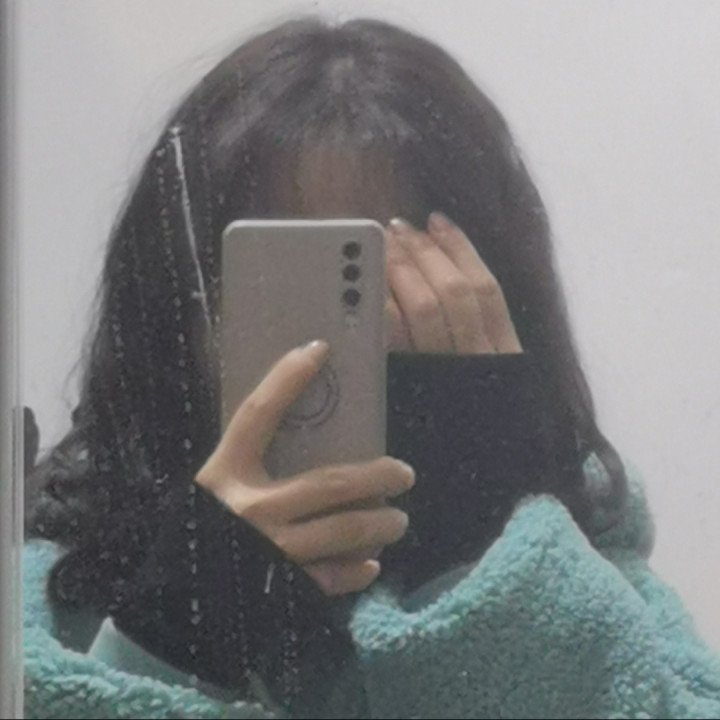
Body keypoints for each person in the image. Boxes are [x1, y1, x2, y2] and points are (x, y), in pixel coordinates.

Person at [23, 16, 720, 720]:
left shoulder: (589, 579)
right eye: (282, 276)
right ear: (171, 299)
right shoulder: (49, 594)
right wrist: (170, 631)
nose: (329, 343)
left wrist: (479, 553)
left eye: (380, 277)